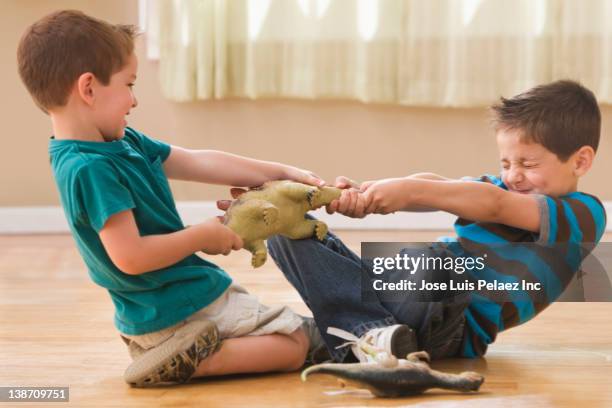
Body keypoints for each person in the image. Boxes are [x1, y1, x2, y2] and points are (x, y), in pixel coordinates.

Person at [17, 10, 327, 387]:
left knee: (294, 329)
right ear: (88, 88)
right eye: (129, 85)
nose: (133, 101)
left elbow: (199, 161)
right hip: (177, 306)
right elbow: (130, 257)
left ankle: (167, 351)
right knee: (294, 342)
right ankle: (195, 361)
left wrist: (278, 171)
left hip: (153, 314)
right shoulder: (89, 168)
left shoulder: (121, 143)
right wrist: (202, 236)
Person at [264, 80, 607, 362]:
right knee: (284, 228)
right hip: (405, 308)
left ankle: (353, 332)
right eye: (506, 163)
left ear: (579, 162)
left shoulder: (582, 213)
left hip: (451, 324)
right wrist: (368, 194)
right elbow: (445, 186)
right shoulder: (499, 187)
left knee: (433, 262)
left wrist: (411, 191)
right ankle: (368, 337)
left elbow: (494, 205)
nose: (514, 176)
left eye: (528, 164)